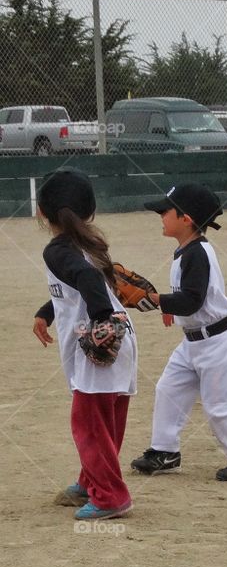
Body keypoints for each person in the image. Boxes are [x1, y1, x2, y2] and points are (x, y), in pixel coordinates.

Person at [129, 183, 227, 482]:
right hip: (192, 341)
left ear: (186, 219)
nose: (161, 215)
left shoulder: (198, 254)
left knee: (220, 408)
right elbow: (188, 298)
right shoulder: (185, 251)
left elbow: (193, 299)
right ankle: (165, 451)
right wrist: (169, 307)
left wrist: (158, 300)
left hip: (217, 344)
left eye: (166, 211)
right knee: (168, 390)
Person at [32, 169, 137, 521]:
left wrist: (100, 321)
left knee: (89, 423)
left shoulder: (58, 250)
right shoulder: (88, 244)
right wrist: (46, 313)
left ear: (42, 213)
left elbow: (88, 279)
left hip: (101, 340)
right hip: (120, 337)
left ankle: (110, 496)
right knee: (105, 419)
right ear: (89, 212)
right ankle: (91, 480)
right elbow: (74, 286)